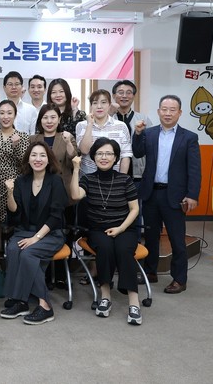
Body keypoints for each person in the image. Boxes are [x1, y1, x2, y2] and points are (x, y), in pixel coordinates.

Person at [70, 138, 143, 325]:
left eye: (109, 153)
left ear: (116, 157)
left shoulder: (125, 180)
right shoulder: (88, 179)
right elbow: (75, 195)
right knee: (105, 247)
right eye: (100, 153)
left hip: (124, 228)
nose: (104, 157)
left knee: (124, 249)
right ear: (94, 157)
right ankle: (105, 296)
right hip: (98, 229)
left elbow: (134, 209)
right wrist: (76, 169)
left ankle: (134, 302)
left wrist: (121, 228)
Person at [133, 95, 201, 294]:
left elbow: (194, 169)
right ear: (158, 111)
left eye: (172, 110)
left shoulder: (189, 137)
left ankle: (179, 279)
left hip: (176, 196)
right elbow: (137, 153)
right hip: (151, 193)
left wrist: (192, 195)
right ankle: (150, 272)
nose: (168, 113)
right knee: (151, 236)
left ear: (180, 113)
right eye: (164, 109)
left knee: (177, 239)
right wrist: (137, 134)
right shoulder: (149, 133)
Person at [1, 142, 67, 325]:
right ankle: (20, 301)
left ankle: (45, 306)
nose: (38, 159)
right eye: (34, 155)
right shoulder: (21, 181)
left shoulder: (55, 181)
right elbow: (15, 213)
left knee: (28, 253)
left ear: (49, 159)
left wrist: (35, 238)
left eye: (42, 155)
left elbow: (55, 217)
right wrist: (10, 193)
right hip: (24, 231)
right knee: (13, 249)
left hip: (51, 233)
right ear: (28, 159)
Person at [0, 99, 29, 267]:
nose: (5, 116)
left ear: (15, 115)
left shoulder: (23, 136)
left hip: (16, 186)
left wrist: (16, 146)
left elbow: (25, 164)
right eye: (2, 113)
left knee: (16, 225)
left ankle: (14, 265)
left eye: (9, 113)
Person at [76, 89, 132, 176]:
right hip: (87, 178)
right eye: (95, 103)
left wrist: (121, 179)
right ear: (91, 106)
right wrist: (89, 124)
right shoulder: (81, 125)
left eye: (103, 102)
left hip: (114, 178)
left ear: (109, 105)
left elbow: (125, 156)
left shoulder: (121, 126)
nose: (99, 106)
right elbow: (84, 150)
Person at [29, 104, 77, 201]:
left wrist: (68, 143)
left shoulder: (67, 137)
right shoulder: (32, 139)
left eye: (53, 117)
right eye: (45, 117)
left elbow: (73, 163)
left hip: (62, 188)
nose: (49, 121)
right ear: (40, 120)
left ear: (59, 119)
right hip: (38, 188)